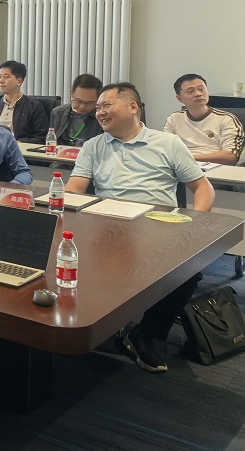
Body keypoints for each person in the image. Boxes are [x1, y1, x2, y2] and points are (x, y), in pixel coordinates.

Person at [66, 82, 215, 372]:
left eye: (106, 105)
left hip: (159, 229)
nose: (99, 112)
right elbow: (74, 189)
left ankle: (144, 334)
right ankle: (89, 324)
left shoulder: (167, 143)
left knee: (186, 274)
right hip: (108, 229)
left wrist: (195, 225)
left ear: (133, 107)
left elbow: (203, 188)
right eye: (98, 108)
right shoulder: (93, 146)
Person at [163, 73, 243, 165]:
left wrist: (189, 158)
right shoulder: (173, 119)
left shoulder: (227, 119)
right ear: (179, 98)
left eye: (201, 89)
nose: (198, 94)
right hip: (180, 166)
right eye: (191, 91)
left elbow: (231, 156)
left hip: (215, 167)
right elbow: (165, 150)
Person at [0, 60, 49, 143]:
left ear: (19, 81)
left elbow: (41, 137)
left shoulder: (34, 107)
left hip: (20, 148)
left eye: (6, 77)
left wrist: (17, 143)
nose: (1, 81)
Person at [49, 74, 104, 147]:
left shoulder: (103, 116)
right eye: (78, 101)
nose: (82, 106)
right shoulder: (58, 113)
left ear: (99, 98)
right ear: (72, 93)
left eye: (89, 103)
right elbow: (51, 141)